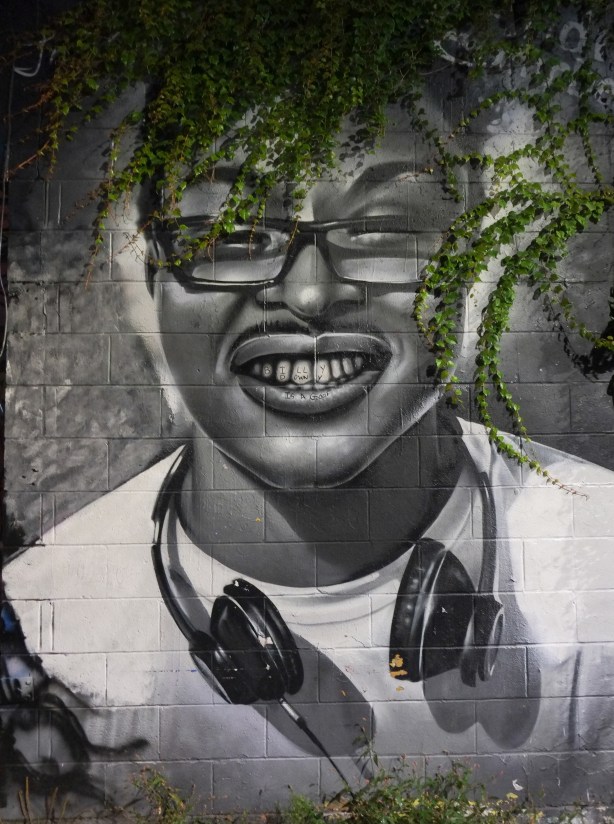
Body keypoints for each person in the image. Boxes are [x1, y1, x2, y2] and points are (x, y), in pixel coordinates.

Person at [2, 100, 614, 814]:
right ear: (153, 274)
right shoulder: (42, 644)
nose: (310, 292)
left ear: (471, 262)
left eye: (381, 229)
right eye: (233, 235)